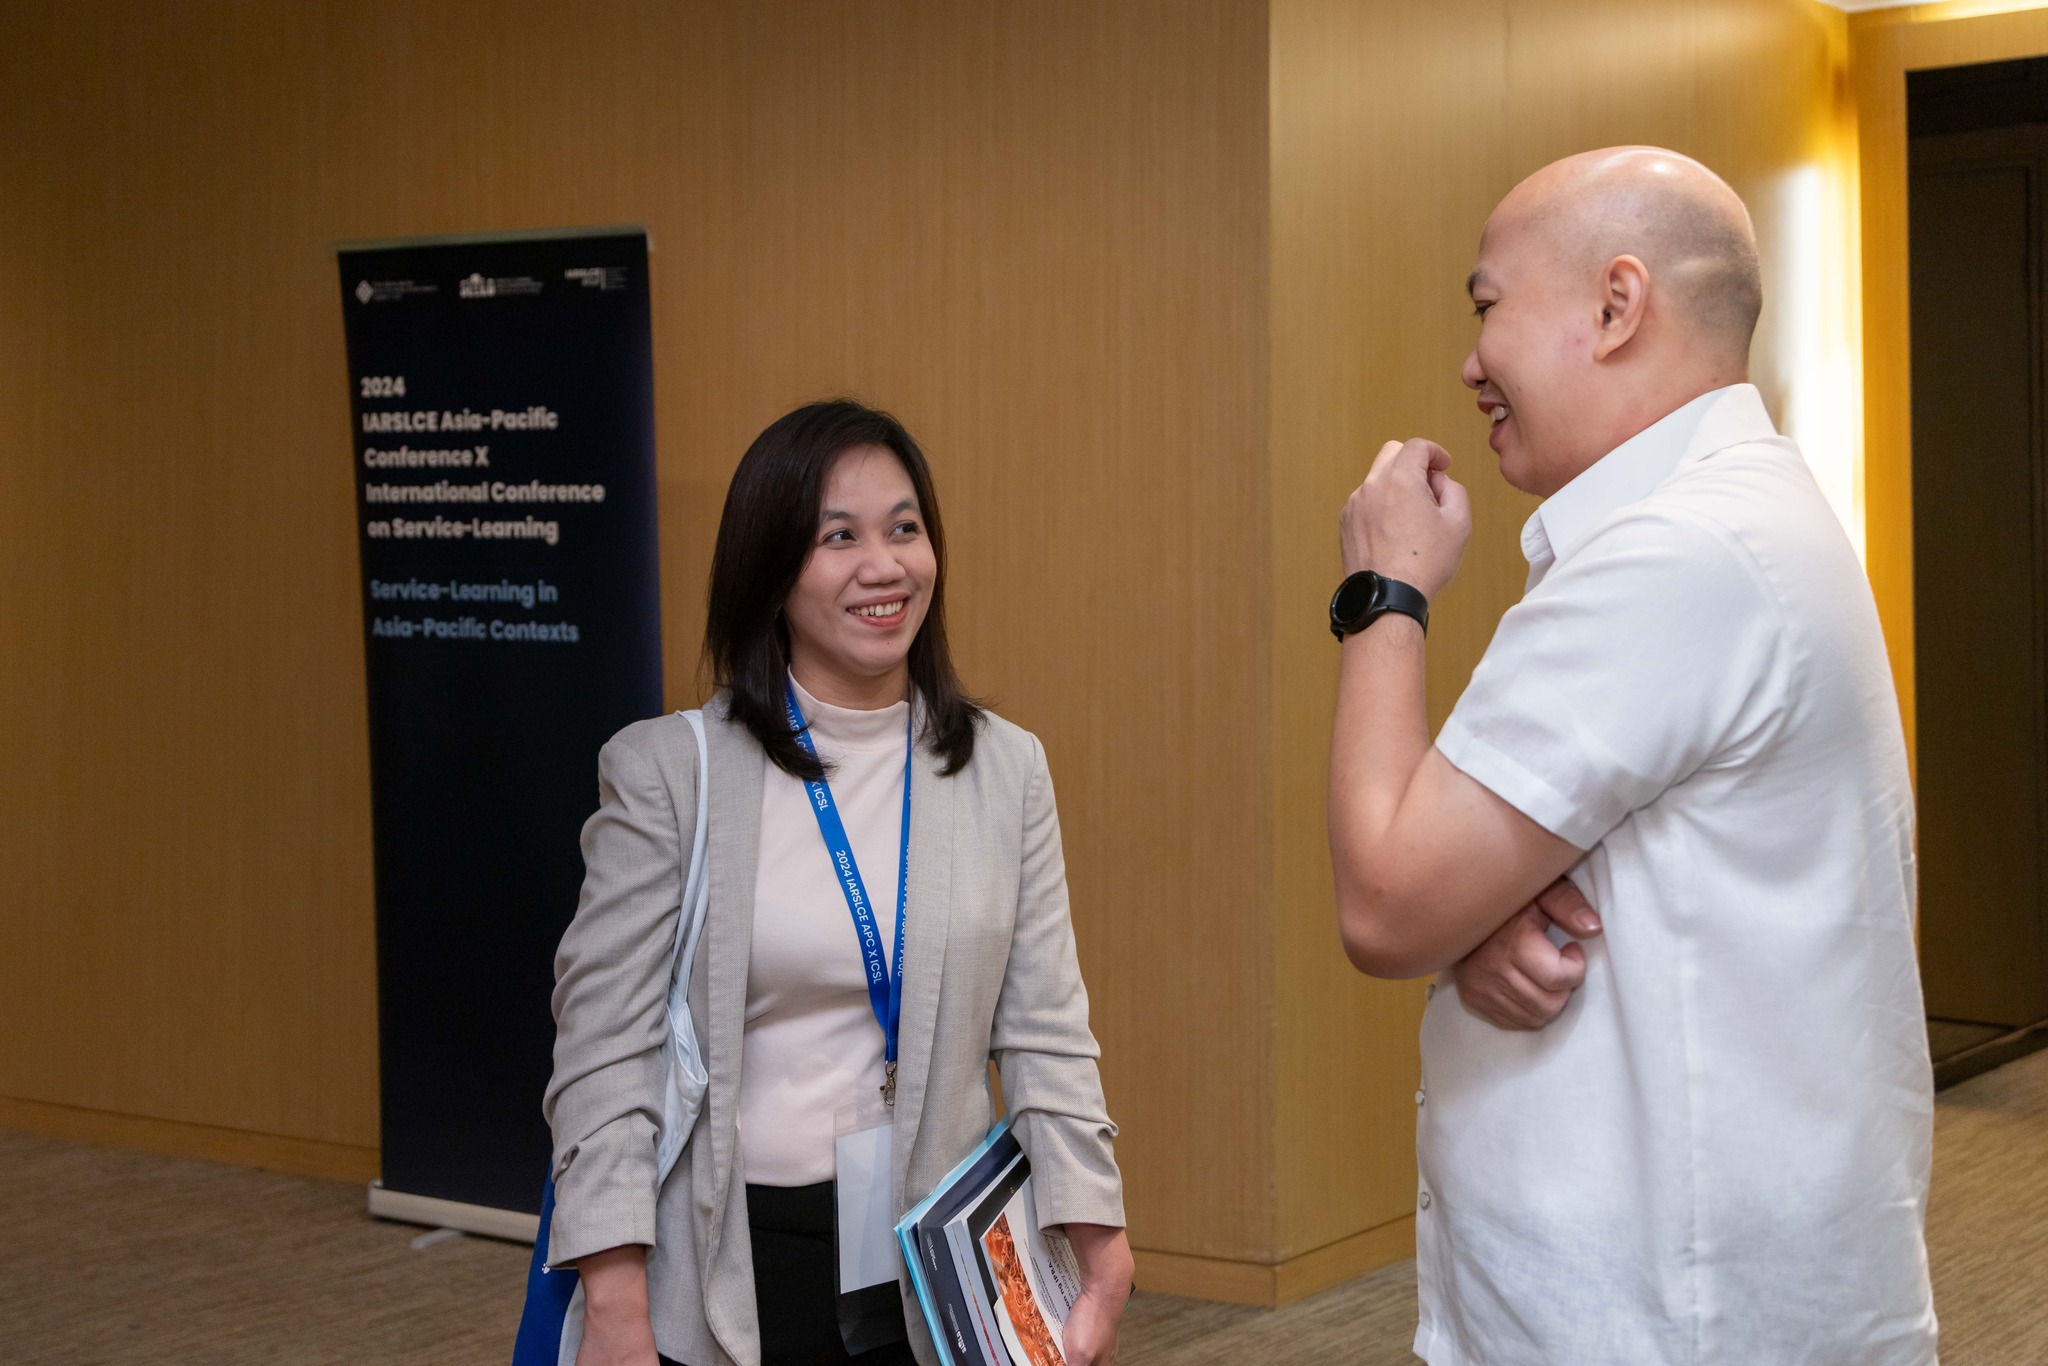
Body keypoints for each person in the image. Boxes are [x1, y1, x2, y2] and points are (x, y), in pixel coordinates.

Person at [1323, 148, 1936, 1364]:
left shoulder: (1675, 553)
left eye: (1485, 305)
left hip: (1662, 1315)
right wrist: (1474, 915)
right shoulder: (1746, 511)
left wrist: (1379, 585)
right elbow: (1548, 865)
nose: (1468, 362)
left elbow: (1386, 898)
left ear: (1614, 306)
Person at [545, 400, 1132, 1366]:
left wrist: (1097, 1232)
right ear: (770, 572)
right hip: (729, 1255)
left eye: (906, 528)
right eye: (838, 538)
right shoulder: (670, 773)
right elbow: (603, 1055)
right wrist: (612, 1298)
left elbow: (1045, 1031)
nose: (884, 566)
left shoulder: (1003, 769)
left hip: (939, 1260)